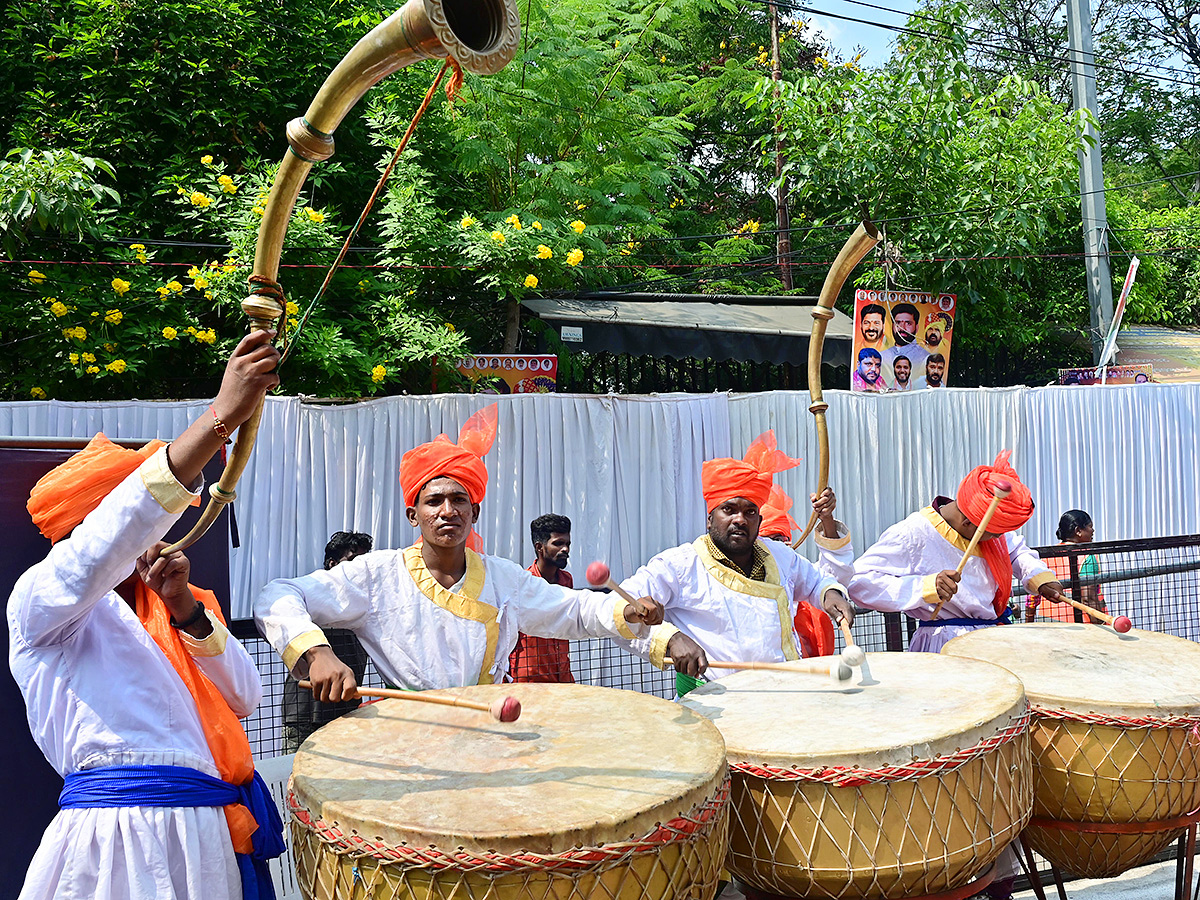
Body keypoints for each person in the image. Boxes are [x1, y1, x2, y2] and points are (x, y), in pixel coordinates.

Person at [8, 331, 285, 900]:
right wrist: (220, 417)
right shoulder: (42, 600)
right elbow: (108, 540)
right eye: (146, 524)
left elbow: (246, 696)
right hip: (116, 835)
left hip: (205, 834)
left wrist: (186, 611)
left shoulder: (177, 602)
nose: (154, 537)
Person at [255, 405, 702, 699]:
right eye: (434, 502)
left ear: (476, 512)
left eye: (459, 501)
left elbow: (574, 611)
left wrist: (626, 614)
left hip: (493, 724)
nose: (447, 511)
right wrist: (315, 652)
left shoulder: (504, 578)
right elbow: (276, 595)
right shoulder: (375, 575)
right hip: (408, 734)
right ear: (414, 516)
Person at [614, 431, 855, 695]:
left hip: (786, 697)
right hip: (714, 704)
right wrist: (670, 640)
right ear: (710, 519)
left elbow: (817, 581)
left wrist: (830, 593)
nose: (740, 519)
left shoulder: (779, 555)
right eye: (729, 510)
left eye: (750, 512)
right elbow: (620, 610)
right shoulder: (678, 565)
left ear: (759, 522)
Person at [849, 450, 1065, 654]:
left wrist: (1040, 578)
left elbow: (1016, 551)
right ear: (968, 523)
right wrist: (925, 587)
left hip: (994, 639)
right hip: (944, 644)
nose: (998, 539)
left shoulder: (986, 525)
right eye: (994, 534)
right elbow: (859, 583)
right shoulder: (913, 533)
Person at [281, 531, 374, 752]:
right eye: (352, 561)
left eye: (364, 562)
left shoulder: (367, 603)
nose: (358, 569)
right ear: (332, 564)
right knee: (296, 777)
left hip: (346, 714)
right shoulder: (309, 597)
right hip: (304, 713)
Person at [508, 513, 576, 683]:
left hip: (562, 674)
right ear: (540, 547)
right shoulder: (522, 583)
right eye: (558, 543)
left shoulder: (566, 580)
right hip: (529, 678)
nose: (565, 549)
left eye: (567, 543)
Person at [1026, 510, 1106, 624]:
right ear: (1078, 531)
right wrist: (1103, 627)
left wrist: (1029, 621)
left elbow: (1032, 597)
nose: (1093, 531)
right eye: (1090, 527)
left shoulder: (1047, 556)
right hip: (1080, 627)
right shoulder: (1086, 557)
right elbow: (1089, 598)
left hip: (1047, 624)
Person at [882, 302, 930, 383]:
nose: (902, 328)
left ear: (917, 328)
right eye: (898, 323)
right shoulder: (882, 357)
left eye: (908, 323)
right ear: (892, 326)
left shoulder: (925, 358)